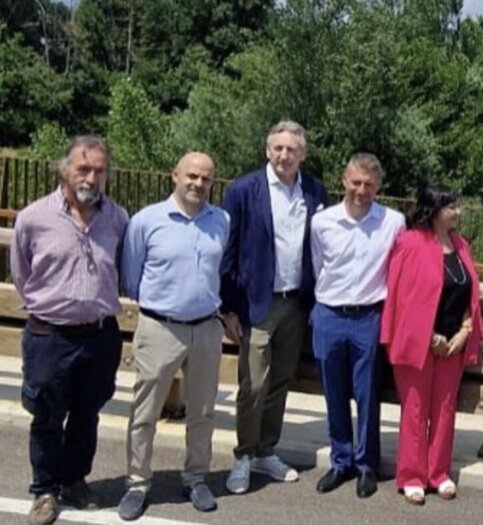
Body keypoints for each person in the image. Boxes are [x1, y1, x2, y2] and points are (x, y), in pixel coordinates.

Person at [11, 136, 129, 525]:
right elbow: (22, 273)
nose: (91, 178)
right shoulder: (34, 217)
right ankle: (45, 490)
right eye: (83, 169)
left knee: (86, 414)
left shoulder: (117, 218)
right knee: (46, 415)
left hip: (99, 335)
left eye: (99, 171)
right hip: (49, 336)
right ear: (65, 170)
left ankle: (75, 480)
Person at [115, 152, 229, 520]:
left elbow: (222, 272)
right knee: (145, 412)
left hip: (206, 328)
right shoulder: (147, 220)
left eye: (206, 178)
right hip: (159, 327)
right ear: (175, 176)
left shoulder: (221, 221)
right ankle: (137, 483)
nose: (198, 183)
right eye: (192, 176)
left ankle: (196, 477)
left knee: (203, 411)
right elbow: (131, 276)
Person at [220, 121, 329, 494]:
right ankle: (243, 455)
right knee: (253, 384)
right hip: (256, 304)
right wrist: (228, 309)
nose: (285, 155)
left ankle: (266, 451)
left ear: (303, 154)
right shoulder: (243, 190)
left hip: (296, 303)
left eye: (292, 149)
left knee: (280, 381)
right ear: (268, 151)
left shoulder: (314, 190)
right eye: (278, 148)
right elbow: (228, 252)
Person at [380, 184, 483, 505]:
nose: (458, 212)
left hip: (453, 344)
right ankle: (412, 476)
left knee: (444, 410)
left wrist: (466, 330)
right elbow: (399, 296)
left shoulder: (461, 245)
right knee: (414, 410)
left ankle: (438, 472)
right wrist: (429, 336)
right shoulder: (410, 242)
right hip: (417, 342)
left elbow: (468, 293)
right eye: (451, 207)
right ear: (434, 210)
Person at [310, 153, 405, 497]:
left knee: (368, 395)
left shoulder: (393, 222)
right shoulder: (322, 222)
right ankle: (341, 461)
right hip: (329, 314)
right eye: (356, 183)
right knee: (334, 393)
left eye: (368, 184)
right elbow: (317, 265)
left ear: (378, 186)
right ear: (344, 181)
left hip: (369, 316)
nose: (361, 190)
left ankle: (366, 465)